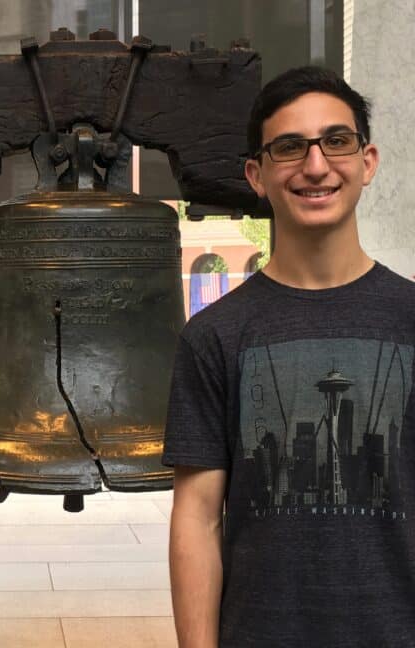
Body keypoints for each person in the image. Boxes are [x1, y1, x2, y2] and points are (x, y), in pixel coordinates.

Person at [164, 66, 415, 646]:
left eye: (336, 141)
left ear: (367, 161)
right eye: (289, 148)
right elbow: (197, 520)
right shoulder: (214, 336)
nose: (316, 165)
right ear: (257, 174)